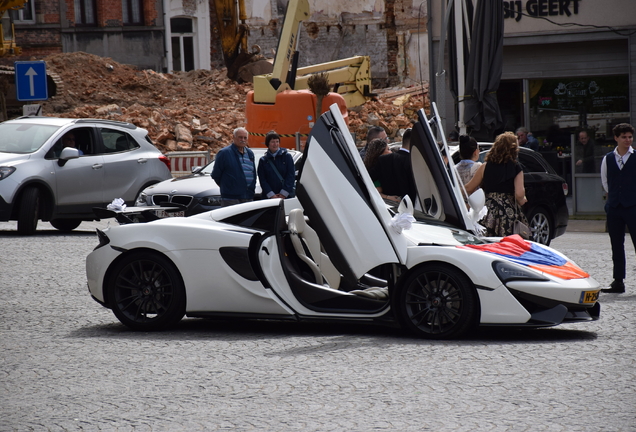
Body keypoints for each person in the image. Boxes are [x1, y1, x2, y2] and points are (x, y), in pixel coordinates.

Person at [466, 131, 528, 237]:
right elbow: (519, 194)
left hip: (487, 210)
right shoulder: (516, 167)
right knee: (508, 244)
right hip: (508, 212)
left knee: (486, 243)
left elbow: (468, 188)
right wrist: (524, 200)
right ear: (513, 149)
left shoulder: (484, 167)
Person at [599, 123, 636, 294]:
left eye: (630, 137)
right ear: (616, 138)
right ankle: (618, 281)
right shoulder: (608, 158)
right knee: (616, 245)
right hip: (614, 207)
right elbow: (606, 182)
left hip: (633, 207)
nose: (627, 140)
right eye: (624, 137)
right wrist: (613, 199)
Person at [211, 127, 256, 207]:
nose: (243, 139)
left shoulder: (250, 153)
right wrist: (228, 187)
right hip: (230, 198)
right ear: (233, 138)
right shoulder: (224, 153)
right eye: (240, 137)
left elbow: (253, 173)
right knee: (232, 219)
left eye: (245, 137)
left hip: (248, 196)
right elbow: (216, 175)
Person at [373, 128, 416, 203]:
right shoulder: (414, 163)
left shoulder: (383, 159)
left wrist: (384, 196)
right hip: (410, 209)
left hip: (386, 207)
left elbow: (365, 181)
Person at [257, 131, 296, 200]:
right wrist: (271, 195)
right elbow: (262, 179)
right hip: (269, 197)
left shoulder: (287, 157)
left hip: (286, 196)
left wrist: (283, 193)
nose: (275, 144)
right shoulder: (263, 160)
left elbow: (291, 175)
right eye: (272, 142)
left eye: (277, 141)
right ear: (268, 143)